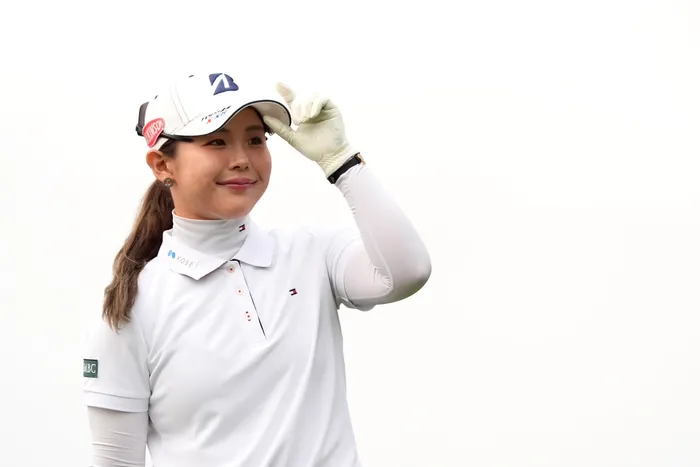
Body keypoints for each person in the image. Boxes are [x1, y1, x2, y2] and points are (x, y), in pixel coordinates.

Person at [82, 71, 432, 467]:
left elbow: (407, 272)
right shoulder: (132, 309)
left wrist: (342, 162)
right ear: (162, 164)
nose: (242, 160)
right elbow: (116, 461)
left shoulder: (312, 252)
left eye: (255, 140)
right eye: (216, 141)